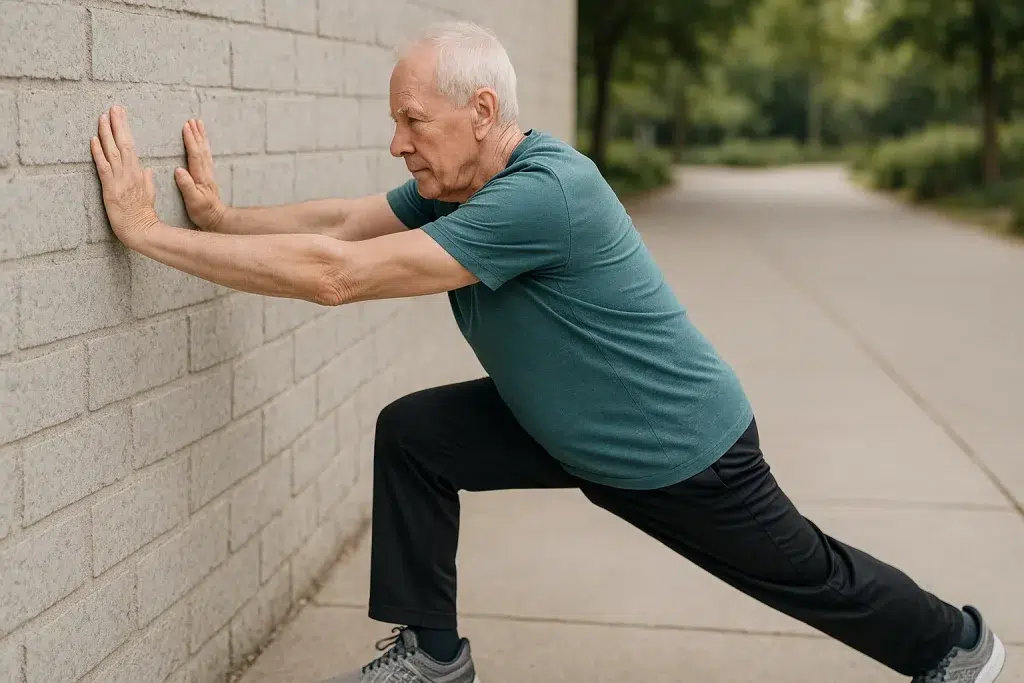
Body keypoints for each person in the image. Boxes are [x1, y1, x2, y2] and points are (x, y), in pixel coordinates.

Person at [90, 20, 1005, 683]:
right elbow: (343, 220)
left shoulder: (540, 196)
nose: (397, 141)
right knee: (416, 434)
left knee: (810, 576)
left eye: (413, 121)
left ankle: (955, 645)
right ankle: (434, 656)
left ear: (482, 111)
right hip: (567, 426)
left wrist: (151, 237)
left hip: (675, 449)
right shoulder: (458, 183)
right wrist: (221, 217)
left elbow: (338, 274)